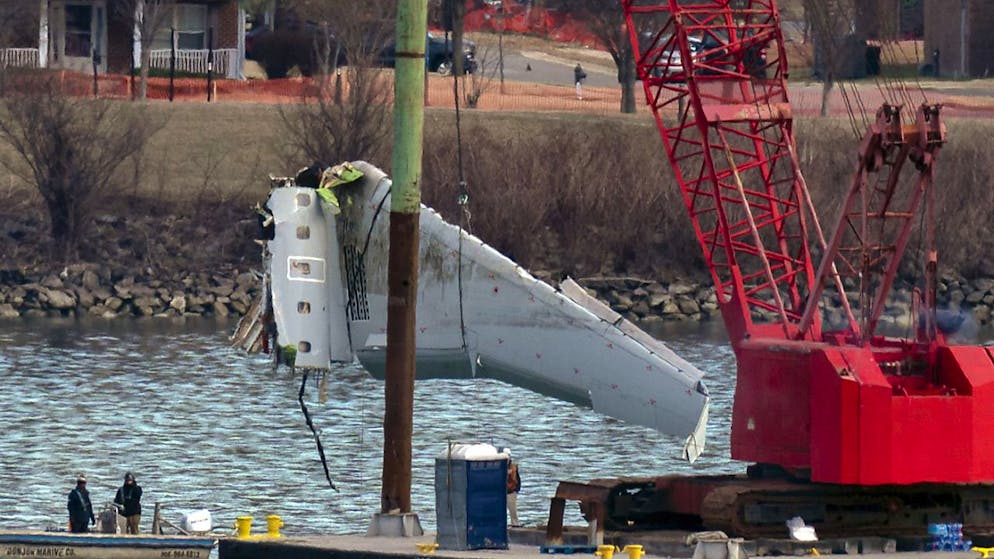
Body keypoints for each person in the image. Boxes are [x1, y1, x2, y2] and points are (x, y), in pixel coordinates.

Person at [503, 448, 522, 527]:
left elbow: (517, 479)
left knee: (513, 511)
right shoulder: (500, 467)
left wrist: (516, 490)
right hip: (502, 492)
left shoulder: (513, 467)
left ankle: (515, 525)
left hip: (511, 492)